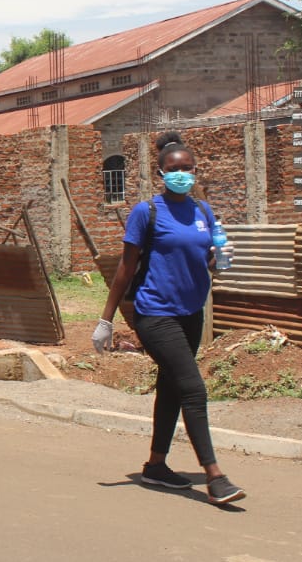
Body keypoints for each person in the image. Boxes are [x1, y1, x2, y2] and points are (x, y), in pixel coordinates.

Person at [95, 131, 244, 506]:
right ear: (160, 172)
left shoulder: (203, 212)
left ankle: (156, 465)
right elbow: (126, 270)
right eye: (173, 168)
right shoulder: (148, 212)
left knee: (173, 387)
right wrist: (106, 320)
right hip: (155, 314)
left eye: (187, 168)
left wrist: (220, 261)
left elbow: (206, 261)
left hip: (190, 313)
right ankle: (215, 476)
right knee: (193, 388)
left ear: (196, 171)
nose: (181, 173)